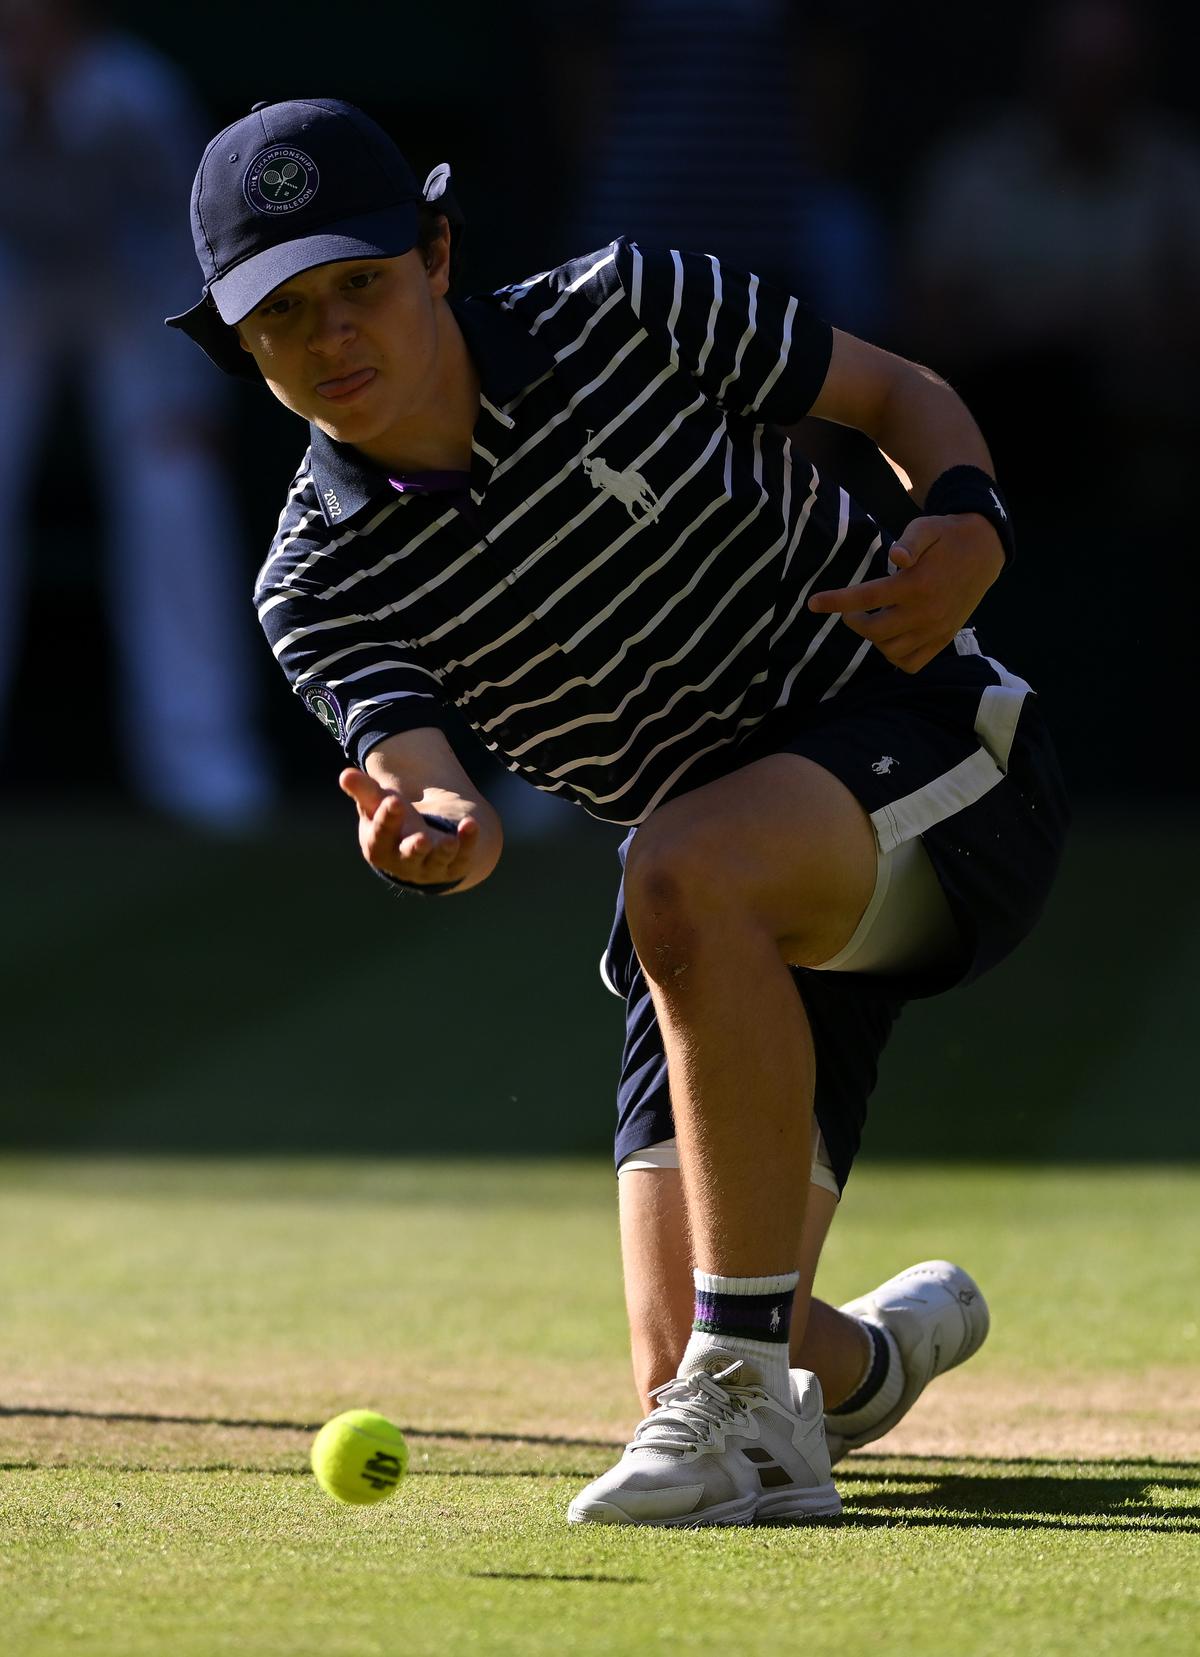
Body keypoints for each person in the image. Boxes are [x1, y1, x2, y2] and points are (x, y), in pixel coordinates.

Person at [167, 99, 1068, 1526]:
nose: (332, 336)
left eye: (361, 285)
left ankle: (754, 1396)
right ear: (238, 343)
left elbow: (900, 398)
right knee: (689, 1359)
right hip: (714, 891)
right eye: (283, 315)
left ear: (439, 254)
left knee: (684, 868)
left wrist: (968, 520)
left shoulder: (632, 304)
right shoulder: (313, 579)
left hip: (933, 756)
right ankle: (878, 1359)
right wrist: (427, 832)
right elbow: (416, 764)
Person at [0, 0, 273, 828]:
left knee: (171, 490)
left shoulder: (142, 96)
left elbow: (199, 238)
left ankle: (203, 760)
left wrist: (191, 390)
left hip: (138, 295)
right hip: (12, 286)